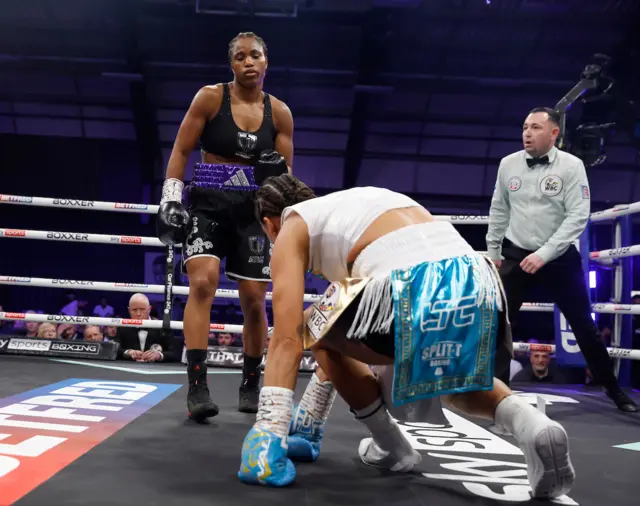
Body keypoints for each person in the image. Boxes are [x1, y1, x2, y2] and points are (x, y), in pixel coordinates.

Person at [236, 174, 575, 500]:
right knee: (454, 386)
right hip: (478, 279)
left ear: (269, 225)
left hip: (413, 282)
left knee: (312, 324)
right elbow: (341, 334)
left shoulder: (293, 225)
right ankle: (532, 425)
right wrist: (308, 422)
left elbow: (287, 338)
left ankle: (391, 447)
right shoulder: (354, 207)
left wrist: (270, 427)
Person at [156, 32, 294, 419]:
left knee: (253, 299)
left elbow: (286, 178)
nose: (248, 62)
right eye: (240, 57)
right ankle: (197, 385)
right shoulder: (210, 98)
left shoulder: (280, 113)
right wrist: (170, 198)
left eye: (255, 56)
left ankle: (251, 382)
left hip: (254, 211)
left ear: (267, 61)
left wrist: (282, 216)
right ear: (231, 64)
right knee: (202, 283)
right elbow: (182, 149)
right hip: (209, 203)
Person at [486, 106, 637, 413]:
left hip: (557, 255)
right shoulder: (508, 164)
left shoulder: (571, 166)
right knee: (499, 324)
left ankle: (612, 389)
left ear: (554, 133)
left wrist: (544, 254)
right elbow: (499, 208)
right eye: (525, 126)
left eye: (536, 127)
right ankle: (498, 392)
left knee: (584, 324)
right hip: (516, 251)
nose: (527, 132)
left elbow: (578, 216)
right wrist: (493, 251)